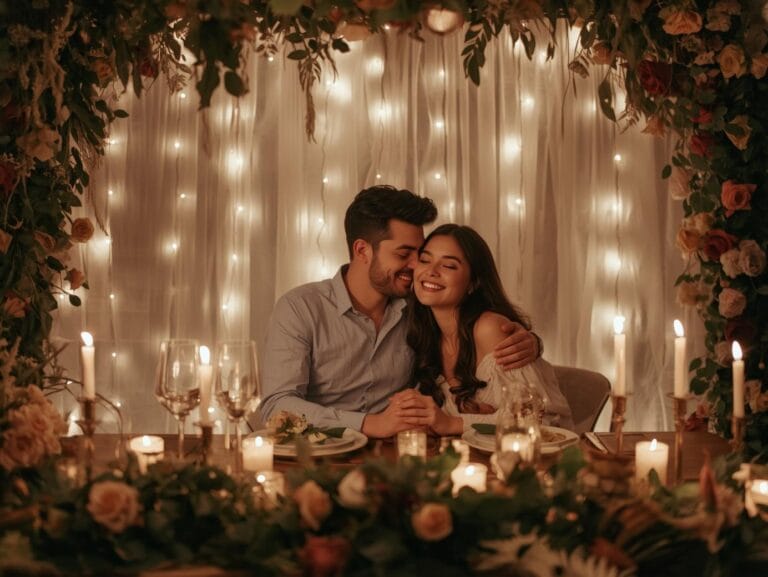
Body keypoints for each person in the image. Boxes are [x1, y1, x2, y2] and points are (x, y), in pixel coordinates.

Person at [260, 186, 542, 438]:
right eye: (403, 254)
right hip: (316, 455)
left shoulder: (419, 307)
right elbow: (278, 404)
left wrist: (531, 342)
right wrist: (370, 424)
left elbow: (471, 327)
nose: (416, 266)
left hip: (401, 458)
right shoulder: (301, 308)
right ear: (362, 250)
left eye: (419, 255)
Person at [390, 224, 573, 434]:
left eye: (448, 266)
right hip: (470, 459)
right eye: (425, 260)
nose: (431, 271)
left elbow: (540, 420)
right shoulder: (422, 330)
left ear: (473, 283)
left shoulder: (489, 329)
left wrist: (451, 423)